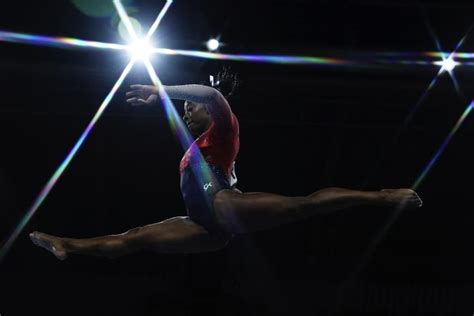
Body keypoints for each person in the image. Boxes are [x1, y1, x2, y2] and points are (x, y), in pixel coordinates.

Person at [30, 70, 422, 260]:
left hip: (222, 205)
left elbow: (212, 94)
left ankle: (381, 197)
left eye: (190, 106)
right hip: (204, 227)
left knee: (305, 204)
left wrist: (163, 91)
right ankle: (69, 246)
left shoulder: (224, 132)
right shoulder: (197, 144)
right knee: (137, 237)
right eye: (183, 108)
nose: (187, 110)